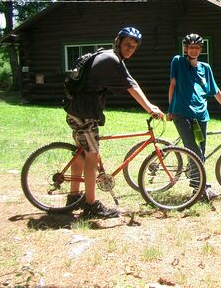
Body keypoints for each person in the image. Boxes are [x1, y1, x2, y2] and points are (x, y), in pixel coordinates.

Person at [65, 27, 164, 219]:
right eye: (127, 44)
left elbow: (131, 81)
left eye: (134, 47)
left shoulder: (110, 56)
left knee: (81, 155)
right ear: (118, 41)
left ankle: (74, 196)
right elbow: (131, 86)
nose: (130, 49)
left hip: (76, 110)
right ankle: (91, 206)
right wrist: (150, 108)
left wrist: (149, 105)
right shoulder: (111, 60)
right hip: (85, 114)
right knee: (92, 157)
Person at [167, 33, 221, 200]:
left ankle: (196, 188)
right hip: (181, 112)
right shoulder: (177, 61)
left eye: (197, 47)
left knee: (201, 151)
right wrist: (170, 109)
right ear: (185, 48)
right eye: (191, 47)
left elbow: (215, 90)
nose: (193, 50)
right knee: (193, 150)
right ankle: (203, 188)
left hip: (201, 115)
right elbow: (173, 85)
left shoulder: (205, 68)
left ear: (200, 49)